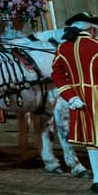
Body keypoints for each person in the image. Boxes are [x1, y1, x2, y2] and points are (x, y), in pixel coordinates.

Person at [51, 11, 98, 194]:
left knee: (93, 141)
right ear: (91, 29)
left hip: (80, 100)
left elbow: (57, 75)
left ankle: (97, 179)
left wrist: (71, 96)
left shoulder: (62, 49)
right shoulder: (95, 46)